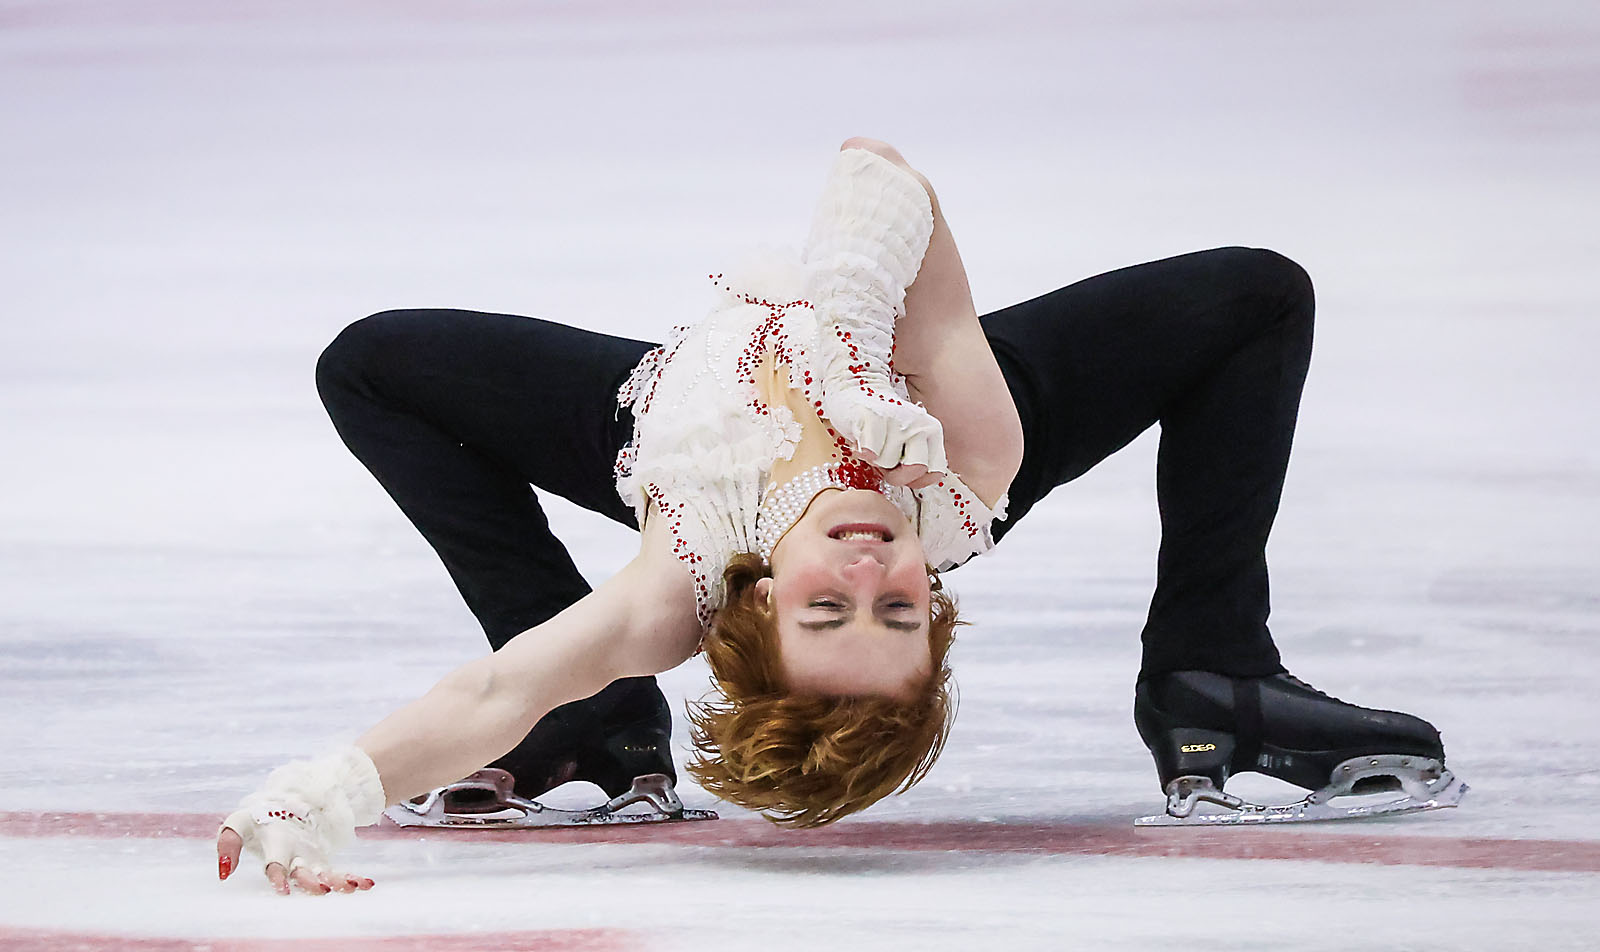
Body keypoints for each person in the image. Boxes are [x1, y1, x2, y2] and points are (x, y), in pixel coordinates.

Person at [216, 138, 1453, 895]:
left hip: (687, 423)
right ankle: (1212, 668)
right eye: (900, 605)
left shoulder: (681, 575)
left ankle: (587, 712)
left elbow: (484, 694)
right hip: (928, 388)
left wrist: (307, 797)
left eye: (828, 604)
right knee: (1249, 295)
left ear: (754, 596)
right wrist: (861, 350)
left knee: (375, 364)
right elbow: (883, 170)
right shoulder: (965, 465)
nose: (870, 561)